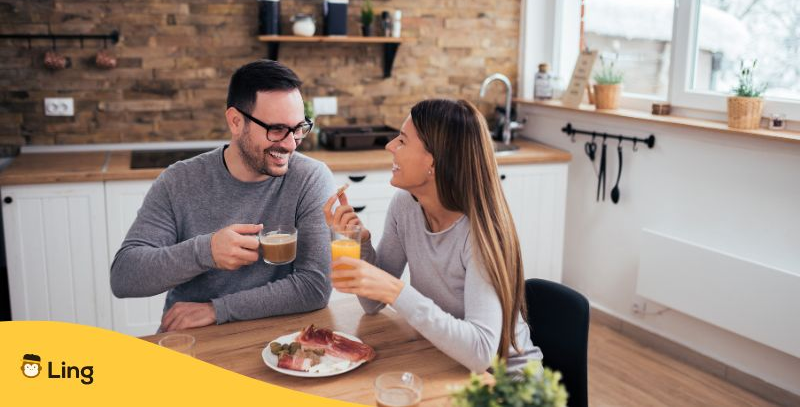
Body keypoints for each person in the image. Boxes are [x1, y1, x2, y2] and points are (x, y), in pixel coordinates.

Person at [111, 60, 335, 332]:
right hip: (197, 339)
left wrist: (218, 310)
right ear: (236, 121)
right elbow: (124, 277)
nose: (290, 144)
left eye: (298, 128)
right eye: (276, 129)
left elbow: (314, 286)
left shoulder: (310, 179)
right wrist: (207, 252)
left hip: (278, 339)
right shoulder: (179, 181)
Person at [323, 98, 542, 374]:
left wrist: (395, 290)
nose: (390, 146)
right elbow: (372, 303)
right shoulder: (405, 205)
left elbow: (481, 353)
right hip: (448, 363)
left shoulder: (481, 233)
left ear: (433, 162)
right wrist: (360, 241)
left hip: (506, 385)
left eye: (402, 141)